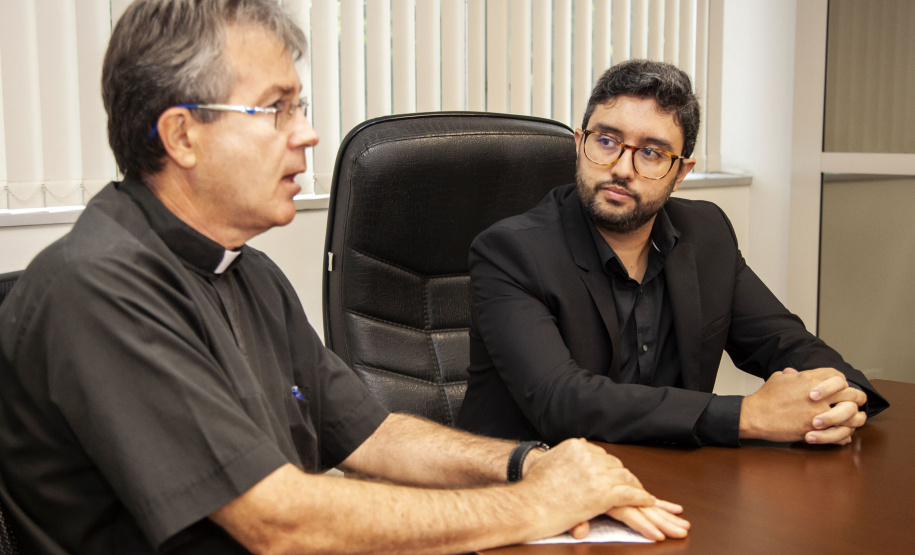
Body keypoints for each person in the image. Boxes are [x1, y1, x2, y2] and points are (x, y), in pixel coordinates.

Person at [0, 2, 690, 553]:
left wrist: (527, 463)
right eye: (276, 109)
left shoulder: (250, 272)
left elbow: (374, 434)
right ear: (182, 135)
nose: (306, 134)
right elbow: (277, 522)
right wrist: (533, 503)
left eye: (298, 107)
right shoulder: (99, 286)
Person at [457, 59, 889, 448]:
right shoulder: (512, 251)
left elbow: (783, 341)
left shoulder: (706, 234)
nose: (622, 169)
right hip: (527, 492)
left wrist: (842, 396)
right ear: (578, 143)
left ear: (681, 172)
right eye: (606, 141)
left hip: (670, 485)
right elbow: (561, 401)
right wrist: (749, 415)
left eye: (651, 152)